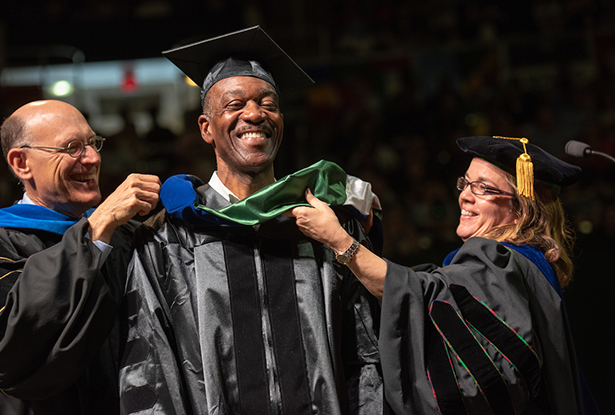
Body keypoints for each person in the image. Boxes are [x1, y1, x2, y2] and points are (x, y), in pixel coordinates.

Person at [119, 26, 384, 415]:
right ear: (206, 129)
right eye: (235, 104)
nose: (255, 114)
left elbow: (364, 351)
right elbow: (150, 364)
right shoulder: (169, 237)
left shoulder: (323, 223)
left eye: (268, 103)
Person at [290, 135, 599, 414]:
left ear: (521, 209)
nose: (465, 195)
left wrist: (340, 240)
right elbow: (430, 290)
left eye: (484, 188)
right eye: (465, 183)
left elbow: (418, 296)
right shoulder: (526, 264)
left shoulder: (502, 260)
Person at [0, 100, 161, 414]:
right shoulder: (6, 242)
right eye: (72, 147)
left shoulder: (125, 232)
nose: (92, 157)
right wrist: (96, 229)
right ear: (22, 163)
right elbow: (15, 346)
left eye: (92, 143)